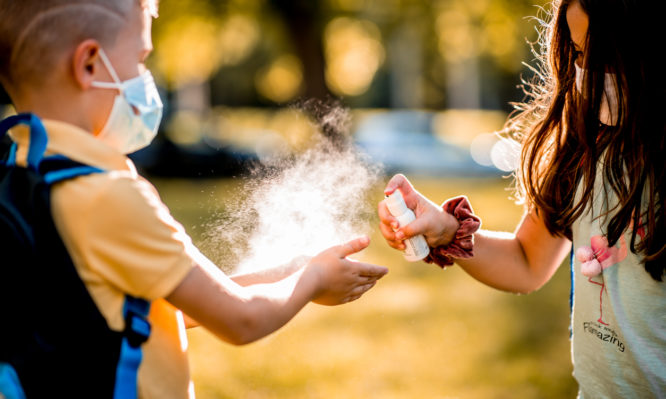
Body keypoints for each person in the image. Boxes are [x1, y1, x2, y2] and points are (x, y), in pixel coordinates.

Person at [0, 1, 388, 398]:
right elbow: (241, 319)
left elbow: (151, 303)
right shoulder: (108, 194)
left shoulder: (15, 173)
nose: (144, 77)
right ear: (89, 64)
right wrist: (314, 279)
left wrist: (291, 271)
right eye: (140, 59)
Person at [378, 0, 664, 397]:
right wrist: (446, 230)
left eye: (603, 57)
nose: (586, 72)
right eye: (579, 53)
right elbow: (527, 262)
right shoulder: (581, 148)